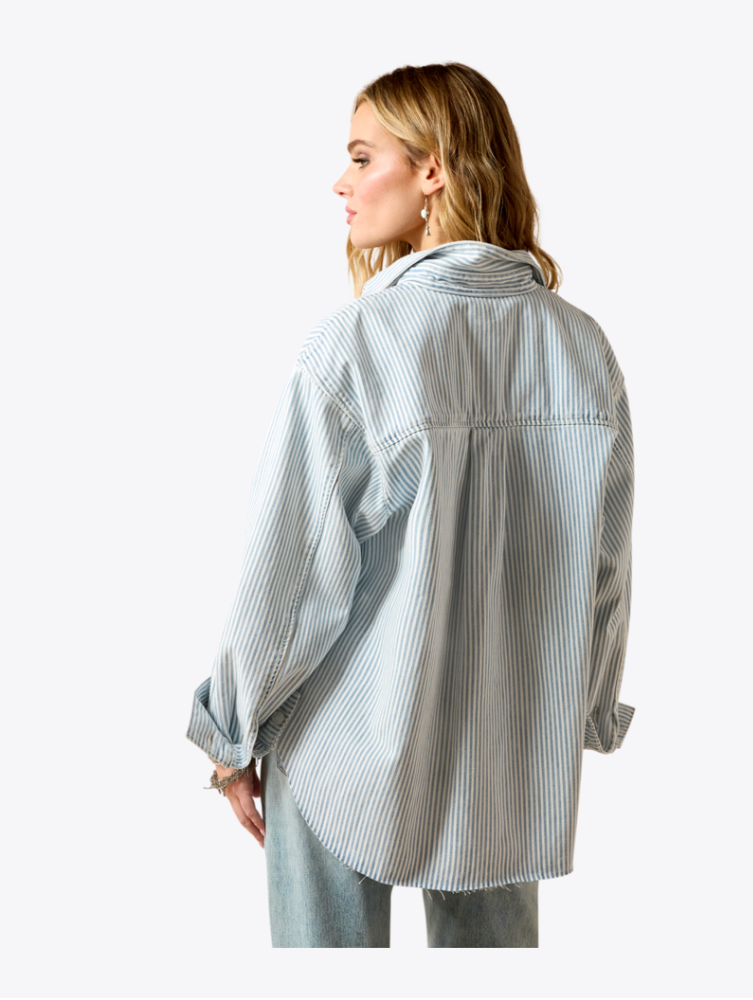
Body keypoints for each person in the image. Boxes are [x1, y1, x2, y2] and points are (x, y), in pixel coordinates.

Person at [185, 61, 636, 949]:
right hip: (508, 743)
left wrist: (230, 730)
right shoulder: (582, 350)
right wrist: (581, 708)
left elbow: (293, 571)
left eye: (363, 157)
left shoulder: (357, 344)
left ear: (433, 169)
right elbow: (604, 569)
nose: (341, 182)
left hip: (340, 742)